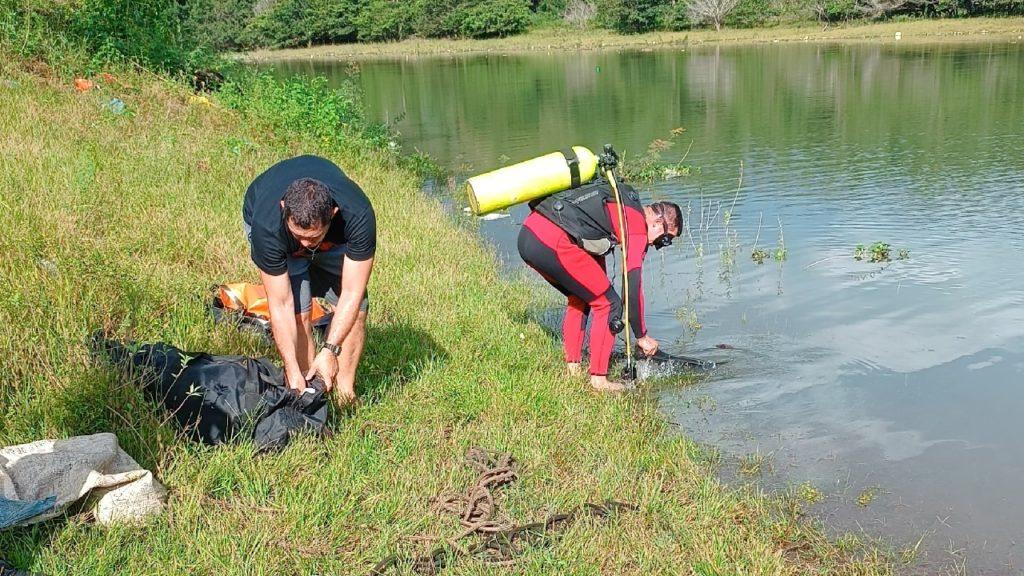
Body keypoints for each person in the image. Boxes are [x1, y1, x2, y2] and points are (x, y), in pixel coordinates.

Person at [517, 178, 682, 391]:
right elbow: (632, 287)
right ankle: (599, 380)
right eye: (665, 240)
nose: (657, 245)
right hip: (552, 241)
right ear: (658, 224)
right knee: (609, 305)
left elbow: (596, 275)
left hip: (529, 237)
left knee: (583, 297)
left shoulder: (616, 207)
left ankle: (573, 370)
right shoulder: (636, 224)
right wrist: (642, 336)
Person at [243, 155, 375, 404]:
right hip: (271, 227)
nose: (304, 244)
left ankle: (345, 394)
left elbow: (352, 292)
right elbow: (280, 304)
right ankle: (306, 386)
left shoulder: (357, 215)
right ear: (283, 207)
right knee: (298, 312)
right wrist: (290, 367)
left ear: (333, 213)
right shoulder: (267, 227)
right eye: (298, 236)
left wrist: (330, 349)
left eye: (312, 237)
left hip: (336, 240)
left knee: (358, 310)